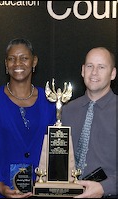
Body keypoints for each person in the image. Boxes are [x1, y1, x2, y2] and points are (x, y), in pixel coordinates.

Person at [0, 38, 56, 198]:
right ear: (6, 64)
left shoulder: (50, 101)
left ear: (34, 61)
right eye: (11, 59)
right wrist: (0, 185)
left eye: (24, 58)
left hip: (39, 192)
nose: (17, 63)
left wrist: (45, 184)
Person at [61, 47, 117, 198]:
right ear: (83, 70)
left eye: (101, 67)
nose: (94, 72)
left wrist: (106, 187)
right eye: (90, 66)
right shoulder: (66, 110)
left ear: (113, 73)